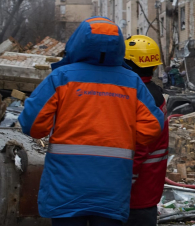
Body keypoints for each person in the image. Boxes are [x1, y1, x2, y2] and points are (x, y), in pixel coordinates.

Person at [19, 17, 164, 226]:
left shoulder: (61, 78)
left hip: (65, 188)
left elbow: (32, 125)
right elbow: (151, 130)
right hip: (112, 189)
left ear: (78, 42)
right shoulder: (132, 82)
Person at [123, 35, 169, 226]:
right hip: (149, 187)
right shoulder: (155, 93)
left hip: (134, 192)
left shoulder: (139, 96)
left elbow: (139, 146)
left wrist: (123, 182)